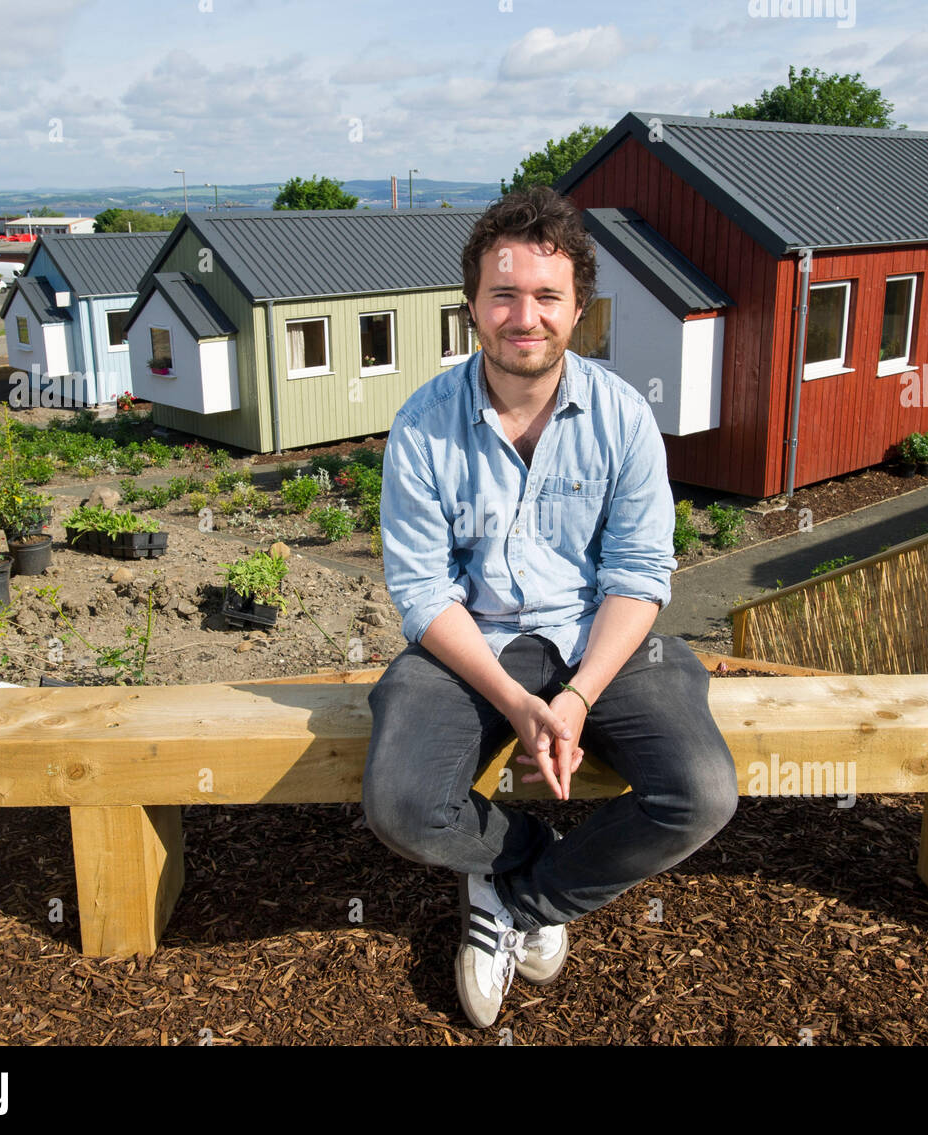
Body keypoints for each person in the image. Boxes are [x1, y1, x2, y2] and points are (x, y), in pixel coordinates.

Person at [362, 185, 737, 1029]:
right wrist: (515, 699)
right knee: (403, 804)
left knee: (702, 791)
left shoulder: (623, 418)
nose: (522, 316)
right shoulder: (423, 426)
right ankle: (520, 855)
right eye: (503, 293)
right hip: (471, 644)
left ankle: (522, 902)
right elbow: (422, 590)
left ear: (578, 310)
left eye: (546, 296)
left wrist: (573, 695)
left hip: (599, 639)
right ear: (471, 306)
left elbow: (639, 573)